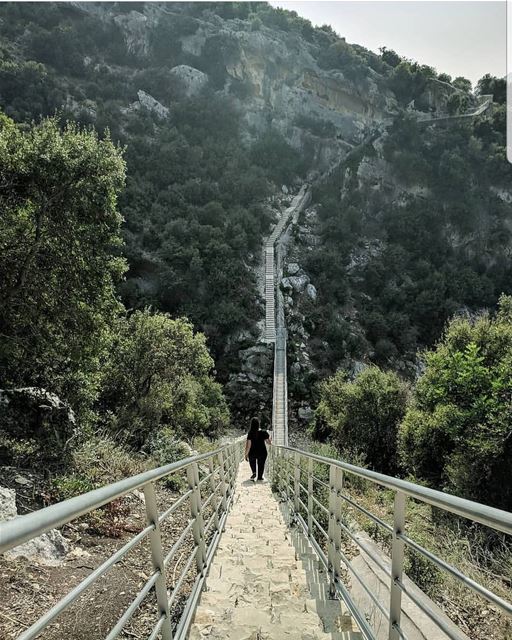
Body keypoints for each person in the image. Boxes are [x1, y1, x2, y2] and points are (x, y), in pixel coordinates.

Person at [244, 417, 271, 481]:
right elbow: (268, 442)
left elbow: (248, 445)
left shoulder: (250, 433)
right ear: (259, 424)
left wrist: (246, 454)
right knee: (261, 464)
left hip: (252, 452)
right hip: (262, 452)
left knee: (252, 461)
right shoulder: (263, 432)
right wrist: (269, 438)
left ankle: (254, 472)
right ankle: (260, 477)